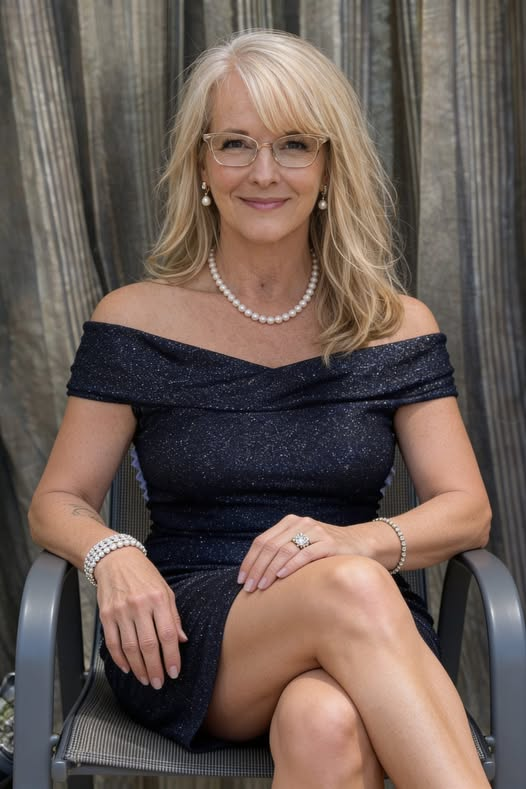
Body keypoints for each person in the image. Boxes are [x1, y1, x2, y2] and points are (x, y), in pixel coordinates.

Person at [29, 29, 492, 788]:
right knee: (350, 589)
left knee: (324, 723)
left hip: (367, 617)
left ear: (329, 165)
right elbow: (58, 499)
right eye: (237, 144)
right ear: (201, 162)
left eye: (294, 145)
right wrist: (114, 554)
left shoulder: (395, 324)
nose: (264, 172)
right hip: (187, 630)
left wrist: (349, 544)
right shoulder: (135, 319)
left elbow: (467, 511)